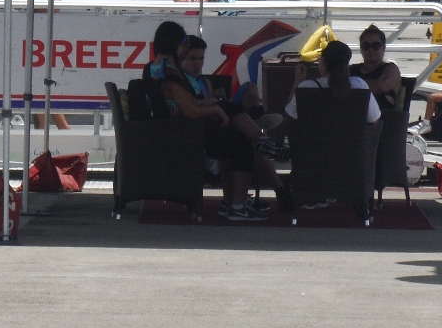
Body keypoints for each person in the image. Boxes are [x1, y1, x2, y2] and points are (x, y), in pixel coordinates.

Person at [143, 21, 263, 220]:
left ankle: (233, 200)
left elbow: (186, 103)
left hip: (180, 129)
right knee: (242, 145)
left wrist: (213, 104)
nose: (186, 46)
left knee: (231, 119)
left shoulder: (159, 68)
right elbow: (189, 110)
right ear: (173, 43)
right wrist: (215, 108)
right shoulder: (168, 72)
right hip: (186, 133)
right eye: (183, 41)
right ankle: (237, 205)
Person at [178, 36, 291, 211]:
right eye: (192, 59)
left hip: (217, 127)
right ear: (181, 58)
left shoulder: (205, 82)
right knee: (248, 142)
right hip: (202, 136)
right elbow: (191, 112)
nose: (197, 64)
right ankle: (277, 189)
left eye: (201, 59)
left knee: (248, 91)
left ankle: (252, 120)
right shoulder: (179, 84)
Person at [13, 0, 69, 131]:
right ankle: (44, 132)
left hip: (39, 37)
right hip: (47, 33)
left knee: (39, 86)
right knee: (40, 88)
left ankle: (61, 130)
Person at [283, 39, 381, 126]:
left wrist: (297, 82)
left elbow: (289, 116)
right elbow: (374, 120)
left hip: (313, 146)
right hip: (350, 146)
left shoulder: (306, 87)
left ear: (323, 62)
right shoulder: (359, 85)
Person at [351, 24, 403, 112]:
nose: (370, 50)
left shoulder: (390, 69)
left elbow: (382, 87)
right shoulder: (352, 69)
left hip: (382, 121)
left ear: (383, 48)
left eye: (376, 46)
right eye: (366, 46)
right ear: (360, 48)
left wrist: (350, 84)